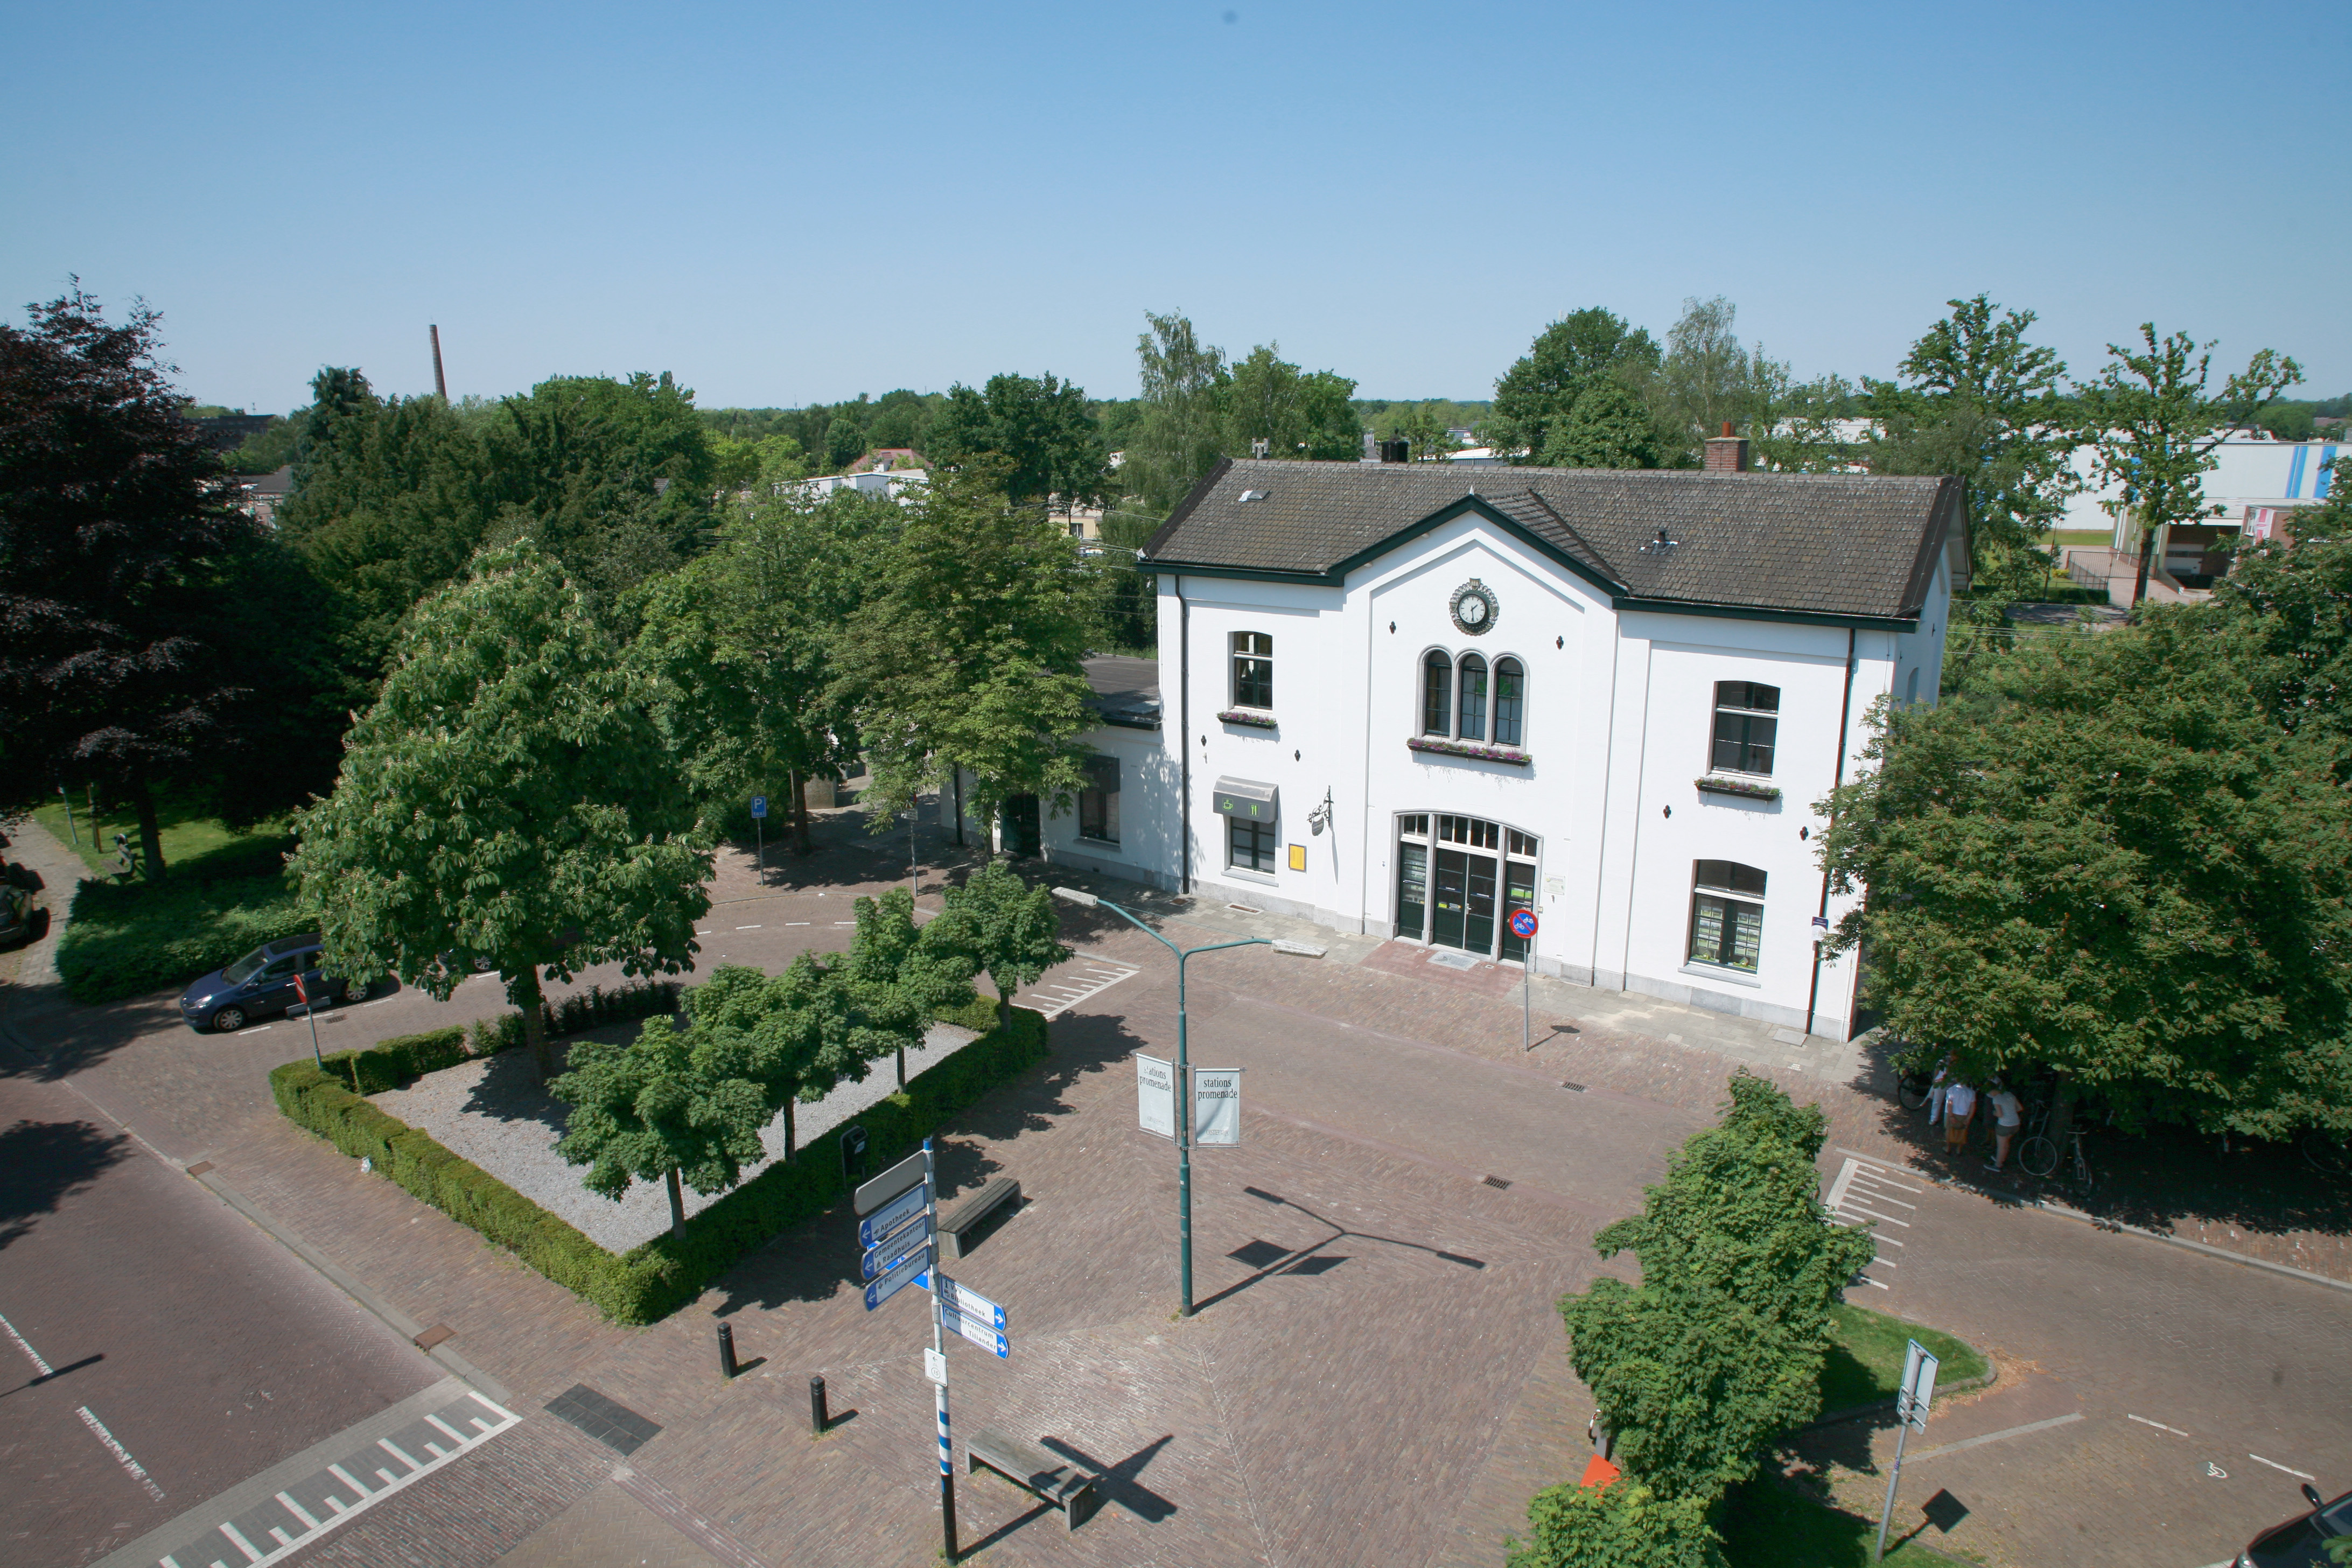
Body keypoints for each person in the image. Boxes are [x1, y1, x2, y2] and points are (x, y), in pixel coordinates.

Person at [1986, 1077, 2023, 1172]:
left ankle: (1998, 1165)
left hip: (2004, 1125)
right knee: (2006, 1143)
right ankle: (2001, 1158)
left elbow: (2000, 1114)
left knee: (2002, 1145)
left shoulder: (1997, 1099)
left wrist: (1994, 1113)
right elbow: (2020, 1108)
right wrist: (2010, 1112)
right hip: (2016, 1124)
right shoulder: (2009, 1095)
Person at [1942, 1078, 1977, 1155]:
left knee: (1948, 1130)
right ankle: (1959, 1149)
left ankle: (1948, 1148)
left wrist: (1951, 1116)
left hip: (1952, 1113)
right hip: (1964, 1114)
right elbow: (1973, 1107)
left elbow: (1949, 1104)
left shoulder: (1952, 1089)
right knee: (1962, 1131)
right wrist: (1969, 1118)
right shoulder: (1971, 1092)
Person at [1925, 1053, 1954, 1129]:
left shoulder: (1957, 1064)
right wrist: (1935, 1079)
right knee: (1937, 1101)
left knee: (1949, 1103)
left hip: (1951, 1084)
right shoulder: (1943, 1060)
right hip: (1941, 1083)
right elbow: (1937, 1070)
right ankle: (1934, 1118)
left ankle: (1947, 1121)